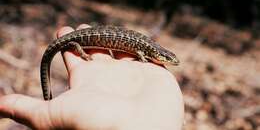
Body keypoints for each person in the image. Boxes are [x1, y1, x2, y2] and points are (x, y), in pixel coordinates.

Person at [0, 24, 184, 129]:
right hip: (76, 40)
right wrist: (81, 52)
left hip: (83, 37)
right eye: (167, 58)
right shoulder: (147, 52)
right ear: (158, 55)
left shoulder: (147, 51)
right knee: (72, 44)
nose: (169, 61)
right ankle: (76, 50)